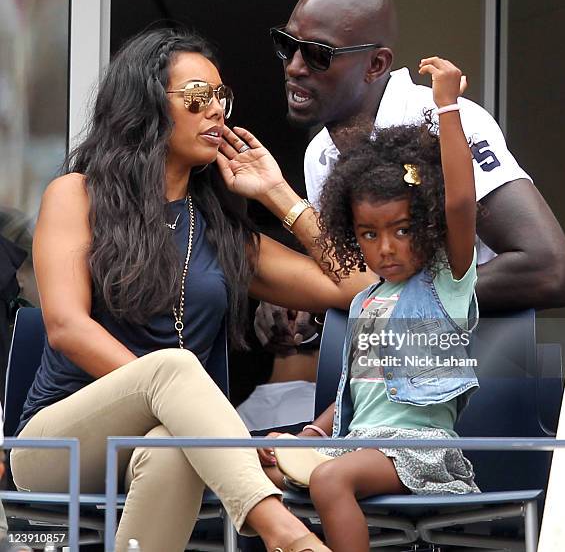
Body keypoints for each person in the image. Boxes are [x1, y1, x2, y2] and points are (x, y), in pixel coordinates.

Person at [9, 28, 378, 552]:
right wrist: (182, 403)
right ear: (146, 106)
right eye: (199, 98)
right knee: (174, 368)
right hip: (60, 444)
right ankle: (287, 536)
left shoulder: (222, 232)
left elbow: (360, 287)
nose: (217, 113)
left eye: (222, 98)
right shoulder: (78, 195)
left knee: (172, 446)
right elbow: (67, 328)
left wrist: (278, 196)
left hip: (179, 436)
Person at [257, 0, 565, 355]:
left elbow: (551, 270)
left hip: (472, 372)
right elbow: (361, 281)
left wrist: (401, 304)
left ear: (376, 65)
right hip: (384, 377)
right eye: (287, 45)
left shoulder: (444, 121)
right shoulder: (320, 154)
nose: (294, 66)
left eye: (317, 54)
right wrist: (304, 304)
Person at [260, 57, 480, 552]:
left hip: (418, 450)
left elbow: (462, 203)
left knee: (330, 481)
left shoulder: (446, 283)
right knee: (262, 474)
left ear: (426, 222)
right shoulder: (365, 300)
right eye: (369, 234)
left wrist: (448, 107)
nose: (386, 248)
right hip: (356, 444)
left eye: (402, 230)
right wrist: (315, 431)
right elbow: (362, 387)